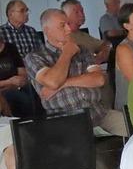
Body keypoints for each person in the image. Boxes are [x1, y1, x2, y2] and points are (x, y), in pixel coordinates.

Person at [24, 9, 126, 137]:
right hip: (66, 119)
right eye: (62, 25)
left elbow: (99, 79)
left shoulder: (82, 50)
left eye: (68, 24)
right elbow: (53, 81)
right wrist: (67, 53)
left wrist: (64, 84)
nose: (68, 29)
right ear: (47, 30)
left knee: (131, 129)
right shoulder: (35, 57)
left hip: (98, 114)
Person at [61, 0, 111, 64]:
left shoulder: (83, 35)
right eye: (76, 12)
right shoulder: (63, 38)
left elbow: (104, 44)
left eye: (82, 11)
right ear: (66, 16)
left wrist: (102, 54)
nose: (82, 15)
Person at [0, 37, 32, 117]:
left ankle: (35, 121)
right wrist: (9, 82)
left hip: (16, 84)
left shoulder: (10, 48)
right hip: (3, 88)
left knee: (30, 87)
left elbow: (22, 71)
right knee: (22, 98)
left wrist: (20, 81)